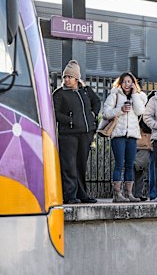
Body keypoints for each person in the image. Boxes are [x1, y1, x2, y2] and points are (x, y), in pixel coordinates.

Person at [52, 60, 101, 204]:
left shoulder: (85, 91)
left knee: (81, 165)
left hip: (85, 133)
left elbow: (97, 102)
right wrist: (70, 120)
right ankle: (69, 196)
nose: (66, 79)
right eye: (65, 77)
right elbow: (54, 113)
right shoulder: (59, 93)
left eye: (70, 77)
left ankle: (82, 195)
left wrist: (93, 115)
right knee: (69, 165)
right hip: (68, 135)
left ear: (76, 78)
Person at [102, 72, 147, 202]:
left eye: (129, 82)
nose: (127, 84)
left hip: (132, 134)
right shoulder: (114, 95)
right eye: (125, 82)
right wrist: (120, 110)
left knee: (129, 164)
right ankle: (117, 194)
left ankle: (129, 193)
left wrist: (134, 94)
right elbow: (106, 113)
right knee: (119, 164)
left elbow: (140, 112)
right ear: (120, 83)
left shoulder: (138, 96)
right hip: (118, 134)